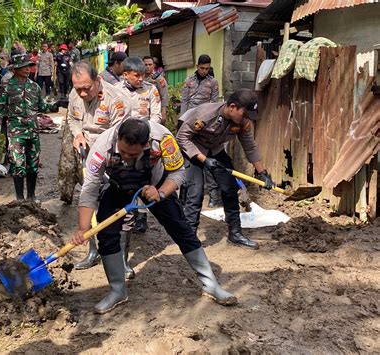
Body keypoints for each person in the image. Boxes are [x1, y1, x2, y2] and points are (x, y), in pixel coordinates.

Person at [71, 119, 238, 314]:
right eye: (122, 151)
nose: (125, 157)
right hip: (117, 185)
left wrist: (161, 193)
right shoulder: (102, 147)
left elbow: (178, 172)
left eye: (132, 154)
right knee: (107, 235)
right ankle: (117, 291)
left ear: (147, 144)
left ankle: (211, 285)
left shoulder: (163, 139)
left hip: (156, 184)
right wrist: (83, 228)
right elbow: (90, 189)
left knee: (182, 230)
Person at [176, 89, 274, 250]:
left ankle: (235, 233)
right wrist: (203, 160)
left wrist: (263, 173)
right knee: (196, 192)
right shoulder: (205, 115)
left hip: (215, 149)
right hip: (193, 148)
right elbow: (182, 138)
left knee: (230, 189)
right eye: (245, 114)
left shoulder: (242, 122)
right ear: (232, 107)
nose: (247, 118)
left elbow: (250, 147)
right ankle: (189, 239)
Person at [67, 61, 131, 271]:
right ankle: (93, 251)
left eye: (87, 88)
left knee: (122, 205)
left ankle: (122, 259)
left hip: (113, 155)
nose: (83, 94)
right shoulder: (75, 94)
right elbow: (72, 119)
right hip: (87, 153)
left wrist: (100, 155)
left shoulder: (117, 100)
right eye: (78, 89)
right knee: (89, 200)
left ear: (98, 80)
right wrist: (77, 134)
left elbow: (120, 136)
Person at [0, 54, 53, 201]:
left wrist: (56, 105)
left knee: (33, 165)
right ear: (16, 69)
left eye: (29, 66)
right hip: (16, 132)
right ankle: (19, 198)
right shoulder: (7, 87)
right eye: (24, 67)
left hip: (33, 132)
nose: (27, 69)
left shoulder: (34, 86)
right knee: (18, 164)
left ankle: (31, 196)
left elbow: (42, 106)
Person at [115, 56, 161, 233]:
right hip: (123, 144)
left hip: (144, 143)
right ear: (126, 74)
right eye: (136, 75)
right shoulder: (114, 90)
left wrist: (145, 134)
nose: (141, 79)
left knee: (143, 177)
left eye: (143, 75)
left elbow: (156, 116)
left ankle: (141, 215)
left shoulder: (151, 90)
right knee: (122, 177)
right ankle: (124, 212)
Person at [181, 54, 221, 208]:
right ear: (197, 66)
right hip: (189, 123)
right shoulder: (189, 81)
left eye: (207, 68)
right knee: (187, 159)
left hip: (205, 124)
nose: (204, 71)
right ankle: (184, 195)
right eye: (202, 68)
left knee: (207, 158)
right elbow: (184, 101)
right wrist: (182, 121)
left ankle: (213, 195)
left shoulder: (213, 82)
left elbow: (215, 104)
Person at [143, 56, 169, 125]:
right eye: (145, 65)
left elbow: (164, 96)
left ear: (153, 65)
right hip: (143, 110)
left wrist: (163, 113)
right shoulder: (139, 78)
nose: (148, 66)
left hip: (155, 111)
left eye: (150, 64)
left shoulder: (159, 79)